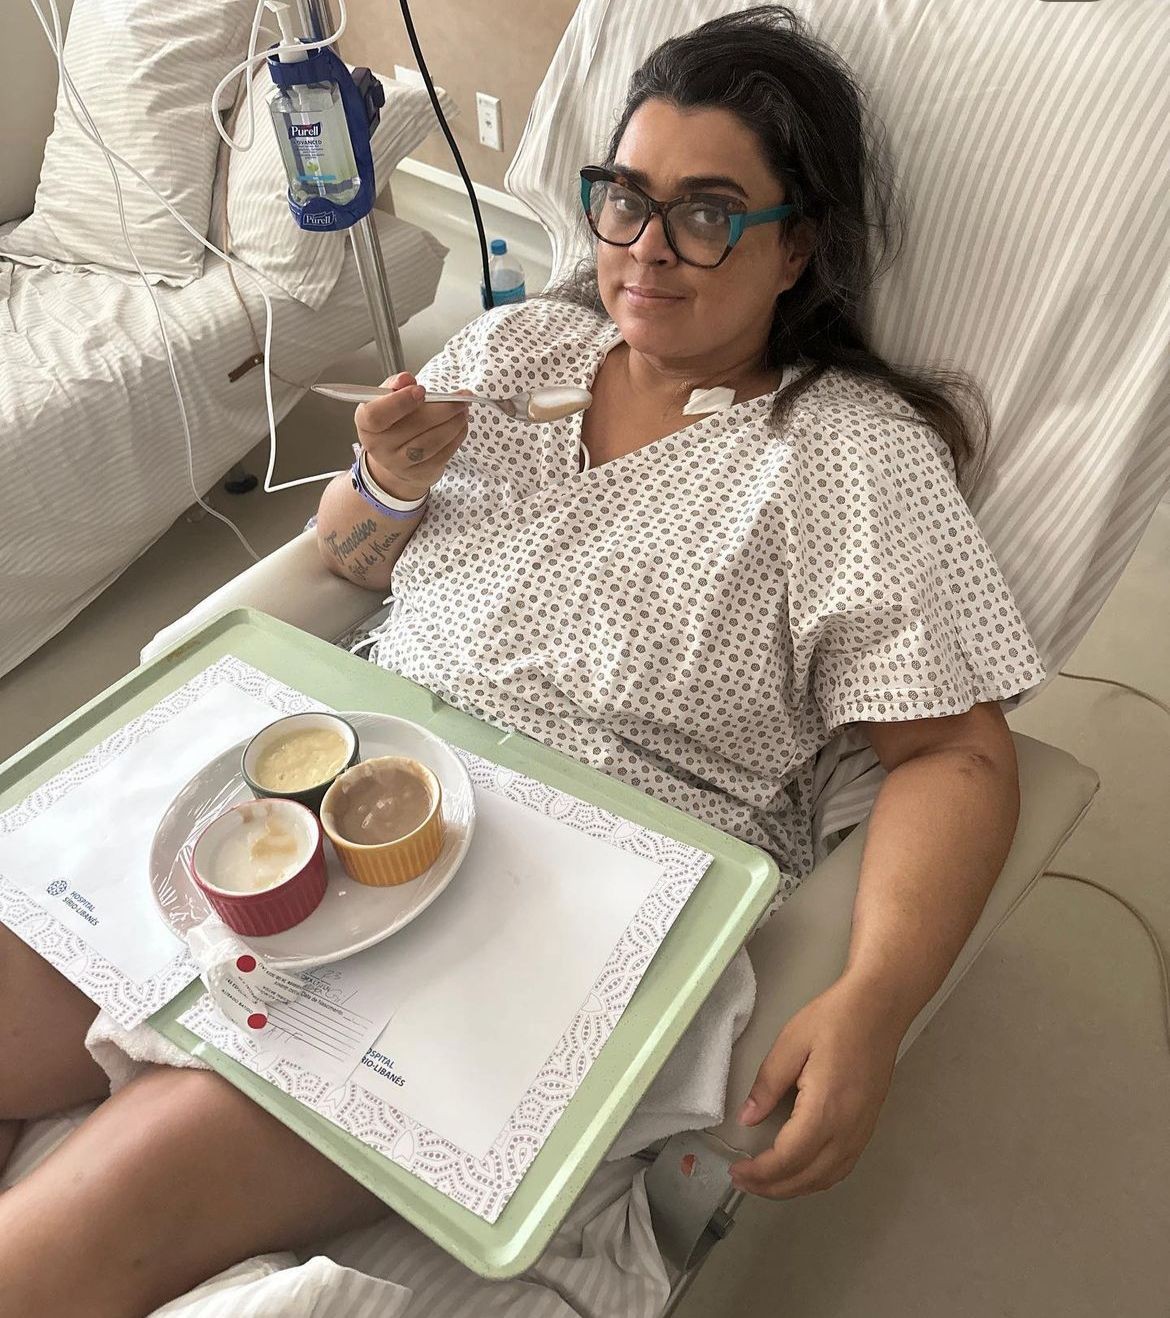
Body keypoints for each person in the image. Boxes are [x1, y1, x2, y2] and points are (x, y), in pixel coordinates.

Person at [0, 8, 1044, 1314]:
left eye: (708, 215)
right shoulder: (517, 347)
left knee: (89, 1218)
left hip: (537, 913)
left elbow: (953, 752)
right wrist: (386, 479)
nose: (646, 249)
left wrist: (876, 1000)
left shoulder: (847, 455)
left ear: (799, 248)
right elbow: (349, 558)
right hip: (331, 798)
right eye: (626, 199)